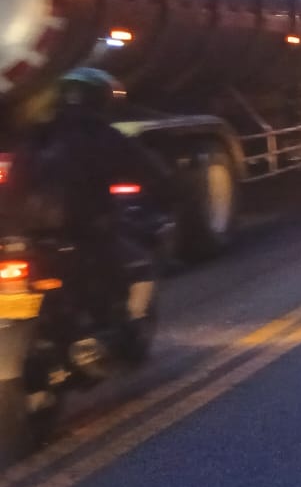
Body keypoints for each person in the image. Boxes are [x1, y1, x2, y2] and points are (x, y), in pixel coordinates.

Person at [1, 68, 173, 327]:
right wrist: (169, 192)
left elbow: (14, 182)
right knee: (141, 267)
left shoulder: (34, 136)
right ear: (101, 100)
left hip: (27, 235)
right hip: (85, 230)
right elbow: (152, 173)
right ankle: (130, 324)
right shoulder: (104, 136)